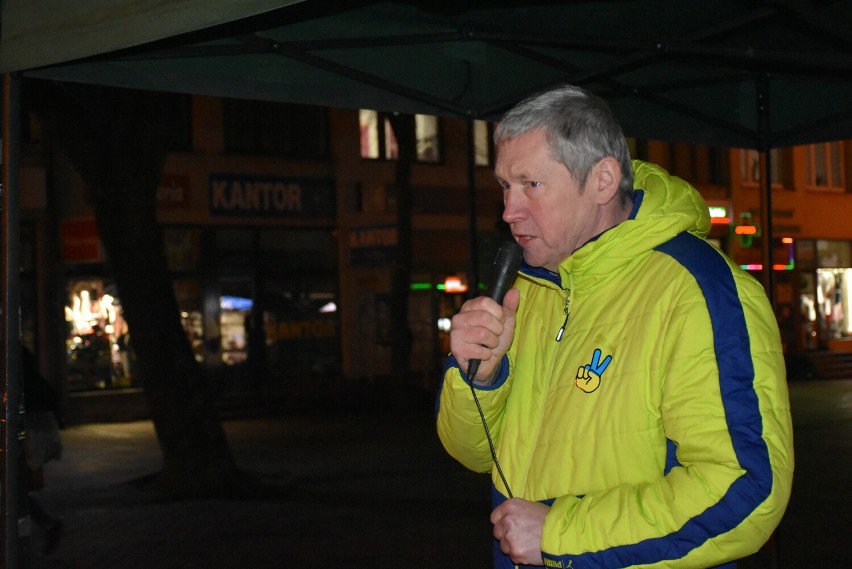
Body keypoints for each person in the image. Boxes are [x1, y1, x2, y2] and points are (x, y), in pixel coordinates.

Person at [436, 85, 794, 568]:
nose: (508, 211)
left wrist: (561, 534)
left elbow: (746, 489)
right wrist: (479, 377)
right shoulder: (534, 287)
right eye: (504, 186)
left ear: (602, 180)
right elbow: (472, 454)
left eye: (531, 185)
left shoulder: (698, 290)